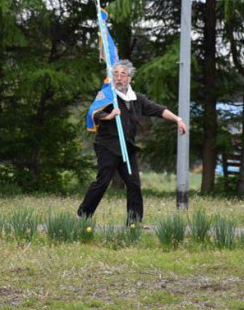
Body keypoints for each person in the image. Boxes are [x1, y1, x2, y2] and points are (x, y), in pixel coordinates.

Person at [77, 60, 187, 225]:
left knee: (134, 183)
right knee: (103, 182)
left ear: (129, 78)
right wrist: (109, 116)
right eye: (115, 74)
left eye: (123, 74)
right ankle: (82, 217)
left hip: (127, 148)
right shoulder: (107, 95)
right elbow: (93, 113)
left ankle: (134, 223)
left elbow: (158, 109)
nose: (119, 78)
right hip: (107, 146)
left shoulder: (136, 99)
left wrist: (177, 119)